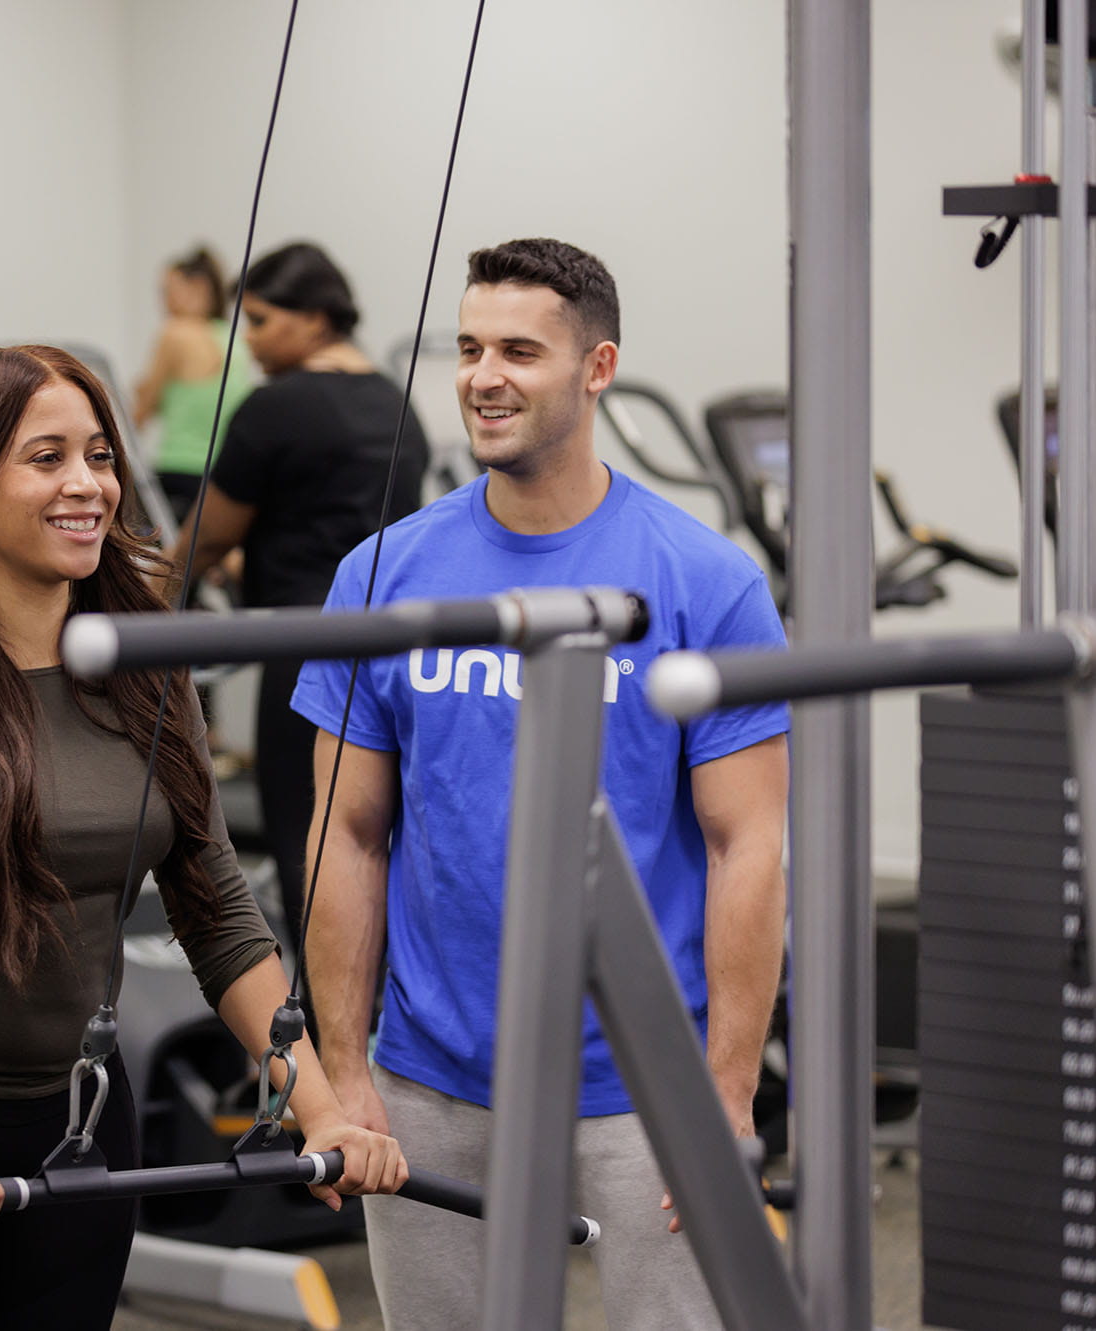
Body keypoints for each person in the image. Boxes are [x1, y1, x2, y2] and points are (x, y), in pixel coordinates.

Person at [0, 344, 407, 1330]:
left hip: (74, 1117)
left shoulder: (147, 665)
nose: (88, 485)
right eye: (46, 457)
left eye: (100, 454)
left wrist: (318, 1102)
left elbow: (220, 911)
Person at [296, 238, 789, 1330]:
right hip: (429, 1076)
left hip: (644, 1089)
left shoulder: (702, 580)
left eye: (520, 350)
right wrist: (342, 1070)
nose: (483, 375)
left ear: (596, 367)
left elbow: (743, 846)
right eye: (469, 348)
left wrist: (726, 1086)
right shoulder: (381, 576)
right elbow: (347, 836)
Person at [163, 240, 429, 936]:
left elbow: (203, 541)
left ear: (316, 319)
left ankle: (314, 1029)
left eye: (260, 321)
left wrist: (146, 614)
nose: (247, 341)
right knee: (377, 844)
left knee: (308, 842)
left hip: (305, 655)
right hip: (394, 652)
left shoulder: (275, 407)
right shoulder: (394, 404)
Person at [131, 245, 250, 524]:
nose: (164, 302)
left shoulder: (176, 332)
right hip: (221, 475)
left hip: (179, 470)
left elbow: (141, 412)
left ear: (197, 287)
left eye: (168, 291)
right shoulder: (232, 339)